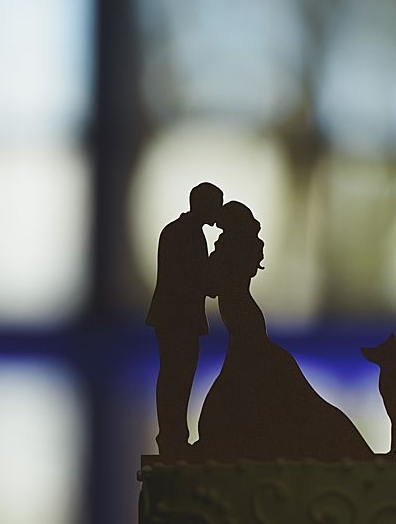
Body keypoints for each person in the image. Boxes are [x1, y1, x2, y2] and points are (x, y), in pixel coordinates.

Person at [195, 201, 373, 462]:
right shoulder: (231, 286)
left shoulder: (233, 284)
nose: (259, 252)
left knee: (320, 416)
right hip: (254, 368)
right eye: (253, 243)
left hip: (261, 363)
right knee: (317, 418)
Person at [146, 182, 224, 458]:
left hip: (174, 318)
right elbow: (201, 282)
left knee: (175, 377)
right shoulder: (187, 236)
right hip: (178, 319)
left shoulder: (178, 231)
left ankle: (173, 436)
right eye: (216, 204)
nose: (219, 210)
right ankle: (173, 438)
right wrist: (219, 262)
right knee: (176, 378)